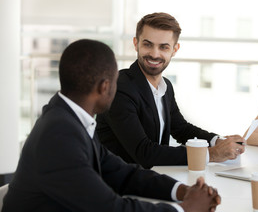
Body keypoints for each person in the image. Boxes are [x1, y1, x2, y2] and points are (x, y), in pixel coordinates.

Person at [2, 39, 221, 212]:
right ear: (105, 86)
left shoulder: (69, 117)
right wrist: (185, 210)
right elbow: (109, 208)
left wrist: (183, 191)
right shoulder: (60, 134)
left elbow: (121, 173)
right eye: (115, 82)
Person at [95, 12, 245, 169]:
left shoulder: (165, 86)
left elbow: (181, 129)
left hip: (150, 176)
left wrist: (218, 141)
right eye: (148, 44)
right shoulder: (120, 88)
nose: (154, 54)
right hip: (118, 184)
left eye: (163, 47)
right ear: (136, 43)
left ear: (175, 49)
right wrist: (212, 154)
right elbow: (144, 153)